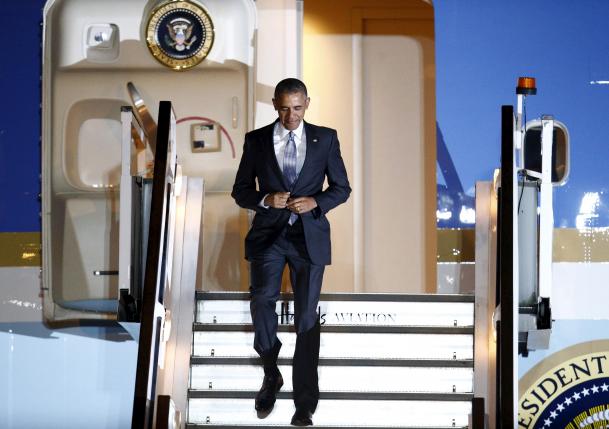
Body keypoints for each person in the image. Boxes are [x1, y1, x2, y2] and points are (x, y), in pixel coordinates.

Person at [231, 78, 351, 426]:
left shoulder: (325, 138)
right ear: (274, 104)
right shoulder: (256, 140)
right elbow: (240, 190)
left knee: (306, 318)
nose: (291, 115)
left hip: (308, 237)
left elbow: (342, 188)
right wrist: (266, 199)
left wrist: (316, 201)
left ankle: (304, 404)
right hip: (269, 235)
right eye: (284, 108)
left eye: (297, 108)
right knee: (261, 301)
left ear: (307, 104)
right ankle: (271, 372)